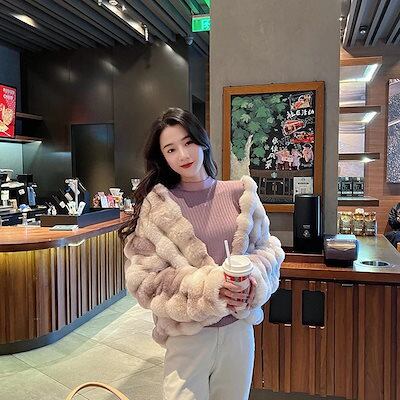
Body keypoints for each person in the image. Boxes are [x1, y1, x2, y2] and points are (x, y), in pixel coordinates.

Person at [120, 108, 284, 400]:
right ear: (163, 157)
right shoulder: (158, 207)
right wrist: (210, 289)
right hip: (187, 337)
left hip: (237, 331)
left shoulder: (241, 194)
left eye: (188, 142)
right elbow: (144, 280)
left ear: (202, 141)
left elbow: (268, 249)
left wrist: (253, 281)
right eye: (171, 149)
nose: (183, 154)